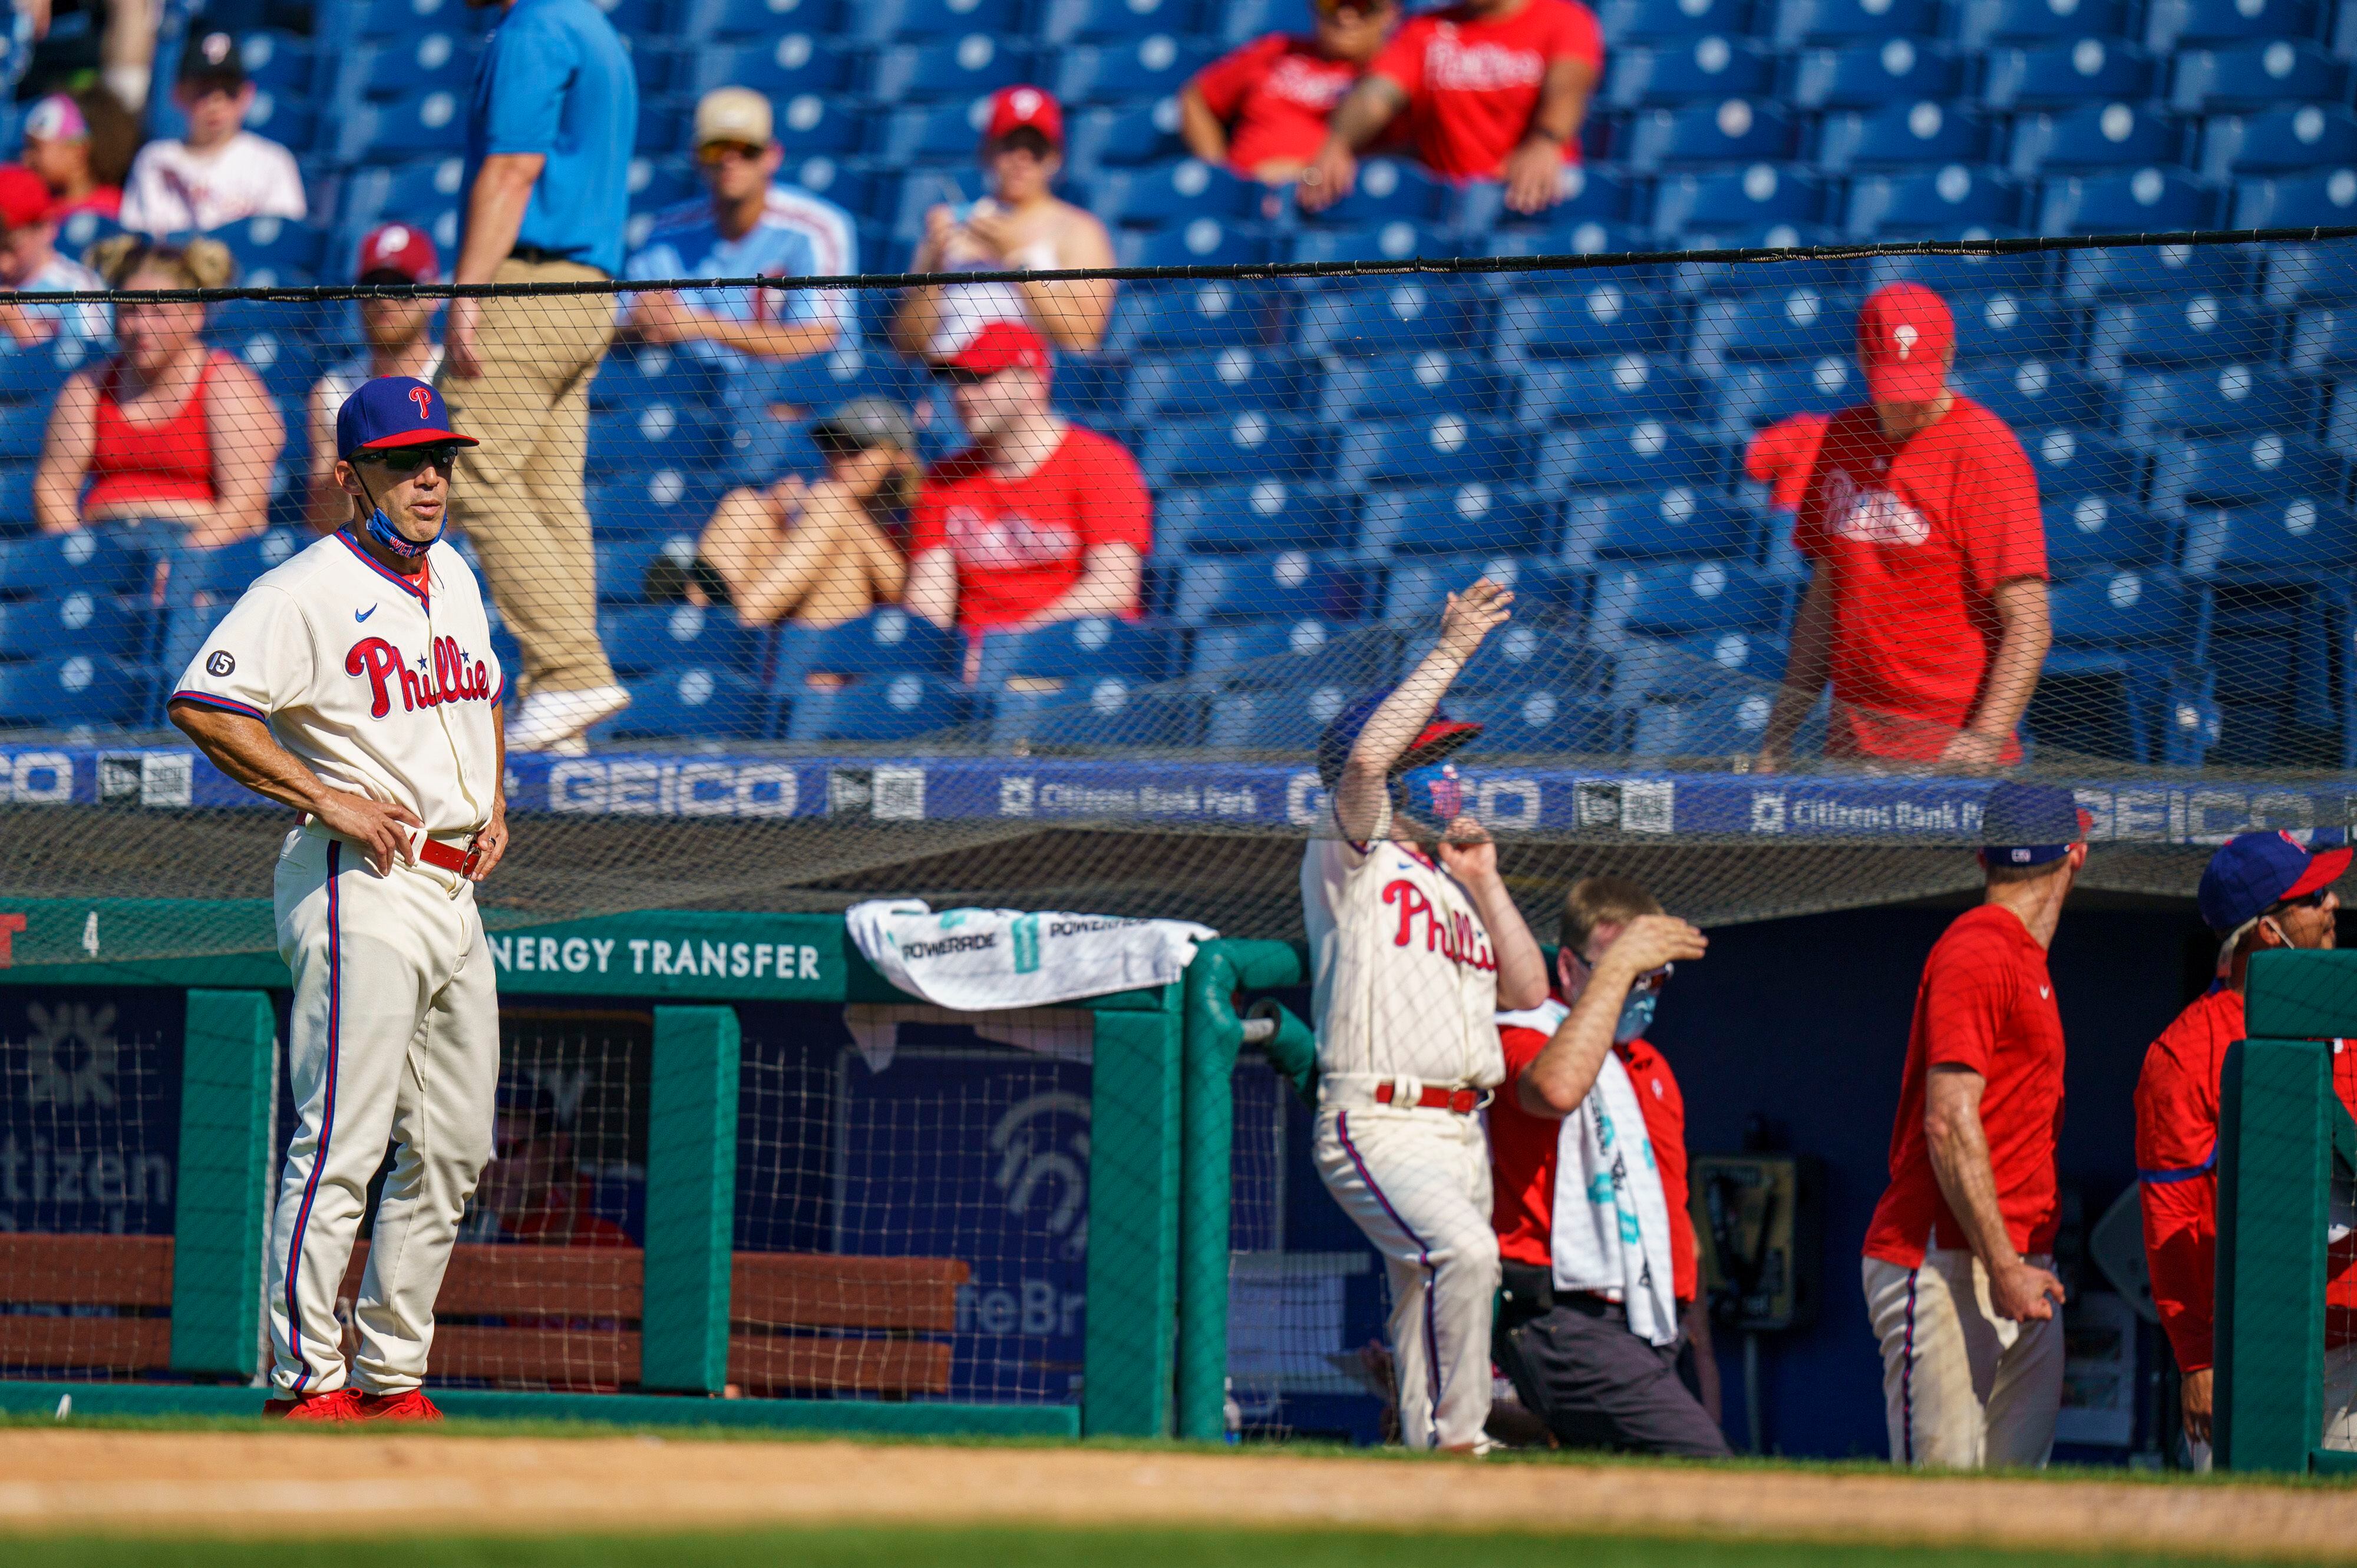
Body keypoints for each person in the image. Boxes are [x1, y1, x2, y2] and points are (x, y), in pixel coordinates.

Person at [165, 375, 510, 1424]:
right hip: (360, 878)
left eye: (438, 459)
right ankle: (307, 1382)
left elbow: (484, 690)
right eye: (406, 462)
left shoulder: (452, 570)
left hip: (455, 888)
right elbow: (203, 701)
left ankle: (390, 1376)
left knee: (455, 1146)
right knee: (343, 1143)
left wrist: (494, 799)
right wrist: (323, 793)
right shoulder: (305, 588)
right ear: (355, 473)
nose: (429, 480)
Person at [1304, 580, 1551, 1451]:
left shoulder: (1452, 878)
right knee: (1466, 1258)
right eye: (1434, 758)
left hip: (1460, 1130)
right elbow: (1367, 765)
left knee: (1427, 1298)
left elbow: (1527, 992)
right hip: (1379, 1114)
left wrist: (1486, 881)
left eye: (1451, 759)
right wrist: (1448, 651)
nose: (1451, 774)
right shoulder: (1349, 851)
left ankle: (1422, 1458)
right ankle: (1462, 1442)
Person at [1860, 782, 2084, 1469]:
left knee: (2013, 1515)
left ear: (1982, 857)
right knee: (1939, 1511)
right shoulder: (1980, 945)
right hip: (1945, 1259)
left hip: (2015, 1260)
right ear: (2075, 856)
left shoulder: (2019, 957)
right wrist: (2004, 1266)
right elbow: (1949, 1121)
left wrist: (2018, 1265)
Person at [440, 0, 637, 755]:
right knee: (550, 494)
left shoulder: (535, 26)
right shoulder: (595, 29)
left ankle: (567, 673)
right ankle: (560, 707)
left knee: (467, 468)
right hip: (587, 296)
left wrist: (467, 293)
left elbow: (515, 167)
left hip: (527, 286)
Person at [1757, 285, 2050, 774]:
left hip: (1953, 756)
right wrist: (1778, 737)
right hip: (1850, 751)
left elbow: (2030, 623)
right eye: (1892, 382)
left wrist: (1984, 739)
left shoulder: (1986, 451)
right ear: (1862, 360)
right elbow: (1824, 602)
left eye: (1920, 380)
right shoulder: (1839, 439)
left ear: (1951, 356)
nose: (1905, 404)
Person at [2137, 830, 2357, 1467]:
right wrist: (2197, 1358)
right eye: (2312, 897)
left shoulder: (2348, 1020)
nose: (2334, 903)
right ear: (2267, 930)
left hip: (2350, 1340)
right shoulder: (2182, 1053)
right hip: (2249, 1350)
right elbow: (2169, 1221)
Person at [1490, 876, 1726, 1456]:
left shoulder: (1651, 1067)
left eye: (1651, 974)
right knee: (1705, 1467)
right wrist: (1619, 967)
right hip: (1566, 1319)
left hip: (1652, 1321)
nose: (1637, 988)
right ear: (1568, 970)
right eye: (1620, 968)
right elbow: (1557, 1086)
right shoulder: (1528, 1035)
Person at [33, 235, 283, 547]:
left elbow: (247, 504)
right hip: (104, 550)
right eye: (130, 311)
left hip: (199, 551)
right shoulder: (87, 388)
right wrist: (77, 556)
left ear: (196, 316)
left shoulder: (229, 385)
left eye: (159, 313)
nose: (141, 326)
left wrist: (186, 561)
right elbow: (52, 487)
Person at [906, 321, 1150, 637]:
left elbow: (1113, 588)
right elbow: (929, 600)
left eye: (981, 379)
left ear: (1034, 381)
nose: (963, 395)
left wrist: (1011, 647)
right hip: (972, 669)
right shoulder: (943, 478)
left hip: (1072, 656)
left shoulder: (1100, 461)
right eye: (957, 381)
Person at [1300, 0, 1603, 215]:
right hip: (1450, 209)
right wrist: (1337, 143)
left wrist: (1544, 141)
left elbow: (1568, 88)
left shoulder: (1566, 19)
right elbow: (1376, 94)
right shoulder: (1425, 29)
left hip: (1531, 198)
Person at [622, 88, 847, 375]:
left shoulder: (816, 227)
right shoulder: (667, 230)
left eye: (746, 149)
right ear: (697, 157)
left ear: (772, 156)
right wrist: (641, 320)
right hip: (686, 392)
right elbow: (608, 328)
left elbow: (820, 336)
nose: (730, 161)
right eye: (716, 149)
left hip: (788, 400)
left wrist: (699, 324)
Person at [890, 86, 1117, 359]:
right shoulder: (952, 224)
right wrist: (935, 271)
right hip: (948, 379)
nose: (1022, 160)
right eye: (1010, 146)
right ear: (987, 152)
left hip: (1027, 386)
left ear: (1055, 159)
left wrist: (1015, 260)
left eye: (1035, 149)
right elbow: (905, 344)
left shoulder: (1078, 229)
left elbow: (1084, 336)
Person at [679, 397, 913, 628]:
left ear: (898, 459)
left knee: (830, 510)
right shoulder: (821, 497)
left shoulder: (912, 508)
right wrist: (785, 517)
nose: (839, 459)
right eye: (831, 446)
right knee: (744, 504)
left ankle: (736, 620)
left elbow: (901, 589)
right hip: (786, 618)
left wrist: (844, 513)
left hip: (846, 641)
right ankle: (709, 615)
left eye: (856, 448)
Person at [308, 224, 445, 531]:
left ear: (434, 292)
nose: (383, 300)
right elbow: (320, 524)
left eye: (400, 287)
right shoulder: (332, 390)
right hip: (360, 557)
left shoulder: (455, 380)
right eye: (372, 287)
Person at [1180, 0, 1402, 184]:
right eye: (1331, 3)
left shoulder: (1396, 73)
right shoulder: (1276, 49)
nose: (1345, 16)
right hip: (1241, 201)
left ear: (1389, 13)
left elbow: (1413, 151)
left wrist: (1308, 175)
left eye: (1362, 5)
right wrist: (1220, 175)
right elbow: (1197, 97)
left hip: (1332, 211)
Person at [118, 32, 306, 235]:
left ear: (247, 95)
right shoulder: (155, 159)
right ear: (178, 94)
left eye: (229, 91)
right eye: (203, 91)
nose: (216, 104)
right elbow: (135, 241)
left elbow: (283, 243)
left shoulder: (273, 160)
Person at [475, 1079, 632, 1248]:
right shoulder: (491, 1253)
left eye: (507, 1150)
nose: (491, 1172)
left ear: (557, 1147)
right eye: (479, 1157)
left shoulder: (637, 1213)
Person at [0, 163, 108, 346]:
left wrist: (20, 328)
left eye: (11, 247)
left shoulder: (78, 288)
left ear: (46, 227)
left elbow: (91, 368)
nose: (3, 262)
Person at [21, 93, 124, 221]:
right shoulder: (37, 215)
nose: (26, 159)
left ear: (78, 151)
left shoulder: (115, 212)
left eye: (35, 147)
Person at [1744, 410, 1831, 514]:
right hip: (1814, 509)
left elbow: (1756, 465)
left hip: (1797, 508)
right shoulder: (1815, 427)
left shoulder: (1809, 428)